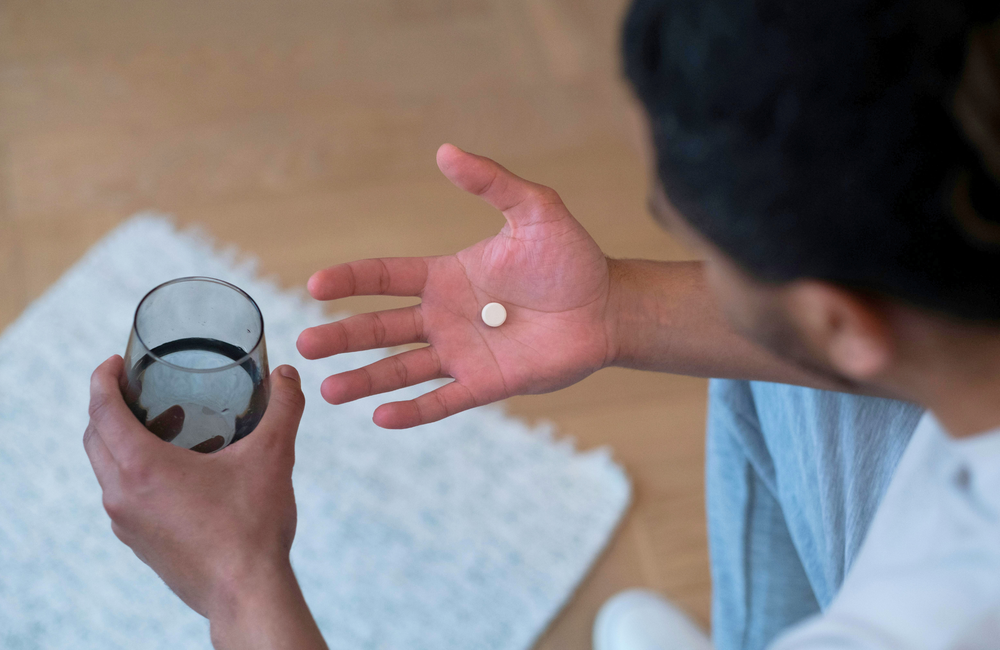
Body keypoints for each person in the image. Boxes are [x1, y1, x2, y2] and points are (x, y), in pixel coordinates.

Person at [82, 0, 1000, 648]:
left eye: (706, 247)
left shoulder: (937, 617)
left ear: (844, 319)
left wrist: (238, 584)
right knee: (790, 390)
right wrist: (617, 307)